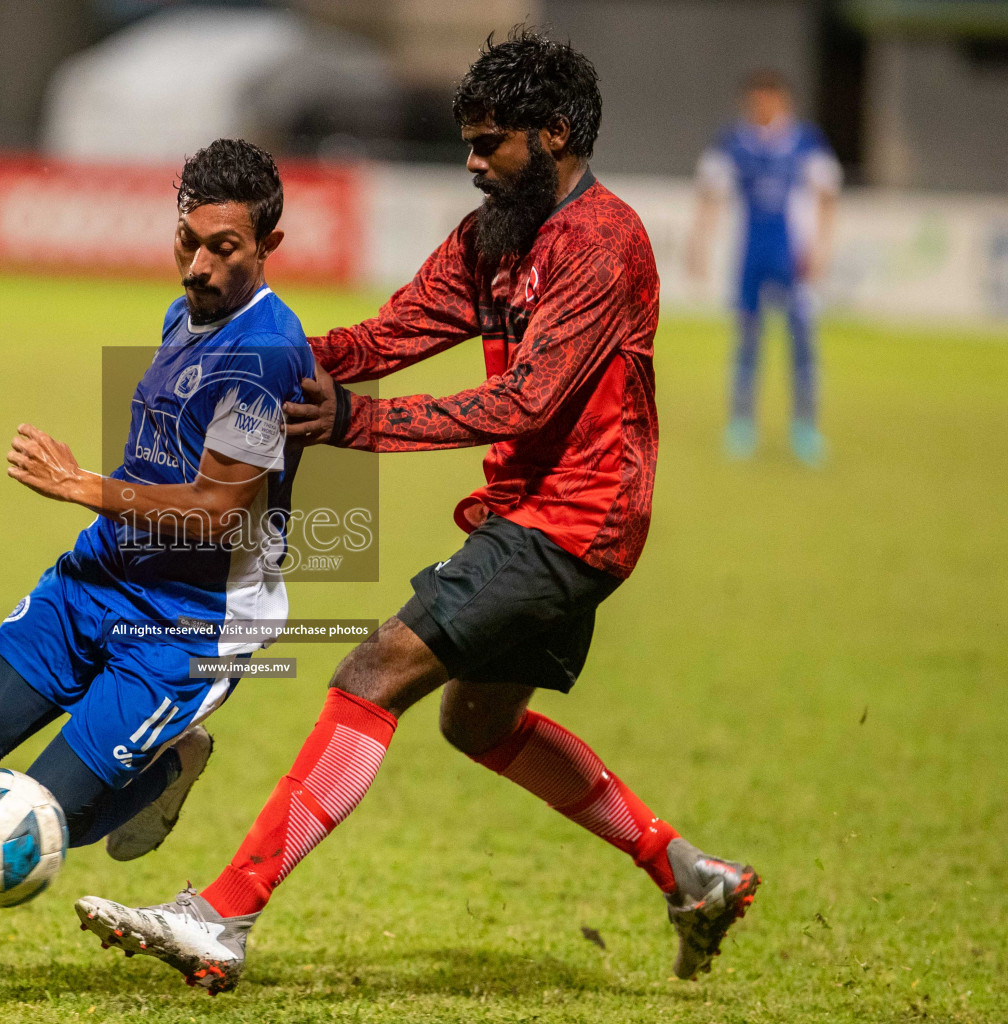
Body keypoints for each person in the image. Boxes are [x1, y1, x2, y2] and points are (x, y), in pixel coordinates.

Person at [75, 30, 760, 994]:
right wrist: (266, 359)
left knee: (376, 667)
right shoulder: (494, 236)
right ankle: (691, 874)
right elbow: (393, 331)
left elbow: (528, 401)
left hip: (575, 521)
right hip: (534, 516)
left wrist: (358, 423)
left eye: (490, 144)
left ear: (554, 134)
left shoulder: (605, 243)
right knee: (477, 724)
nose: (473, 163)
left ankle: (224, 914)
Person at [0, 139, 314, 990]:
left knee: (47, 822)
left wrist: (84, 484)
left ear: (267, 244)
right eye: (186, 240)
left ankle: (166, 762)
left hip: (188, 624)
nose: (197, 265)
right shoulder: (182, 312)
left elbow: (218, 514)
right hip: (95, 580)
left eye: (222, 248)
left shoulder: (265, 352)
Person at [686, 69, 841, 465]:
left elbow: (827, 195)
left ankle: (805, 428)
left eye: (769, 99)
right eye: (756, 100)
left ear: (783, 101)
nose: (762, 107)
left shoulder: (806, 141)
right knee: (747, 340)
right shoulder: (733, 142)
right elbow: (710, 193)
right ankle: (742, 425)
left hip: (794, 256)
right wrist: (700, 244)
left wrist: (822, 247)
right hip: (750, 255)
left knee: (802, 341)